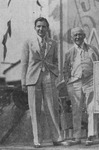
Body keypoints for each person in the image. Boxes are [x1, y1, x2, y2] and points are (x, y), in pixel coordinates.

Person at [21, 17, 63, 148]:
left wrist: (54, 73)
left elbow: (56, 60)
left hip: (48, 77)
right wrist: (24, 81)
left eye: (44, 26)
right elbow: (24, 63)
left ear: (47, 28)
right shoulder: (28, 42)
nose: (41, 29)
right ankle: (37, 140)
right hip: (33, 78)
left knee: (52, 108)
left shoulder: (53, 43)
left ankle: (57, 138)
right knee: (35, 109)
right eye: (38, 26)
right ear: (35, 28)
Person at [63, 27, 99, 146]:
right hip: (75, 82)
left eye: (80, 35)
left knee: (92, 108)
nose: (78, 37)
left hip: (90, 80)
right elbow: (65, 69)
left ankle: (90, 135)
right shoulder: (69, 52)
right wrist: (68, 81)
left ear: (84, 36)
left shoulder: (92, 49)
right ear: (72, 38)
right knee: (76, 110)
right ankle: (77, 137)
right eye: (75, 35)